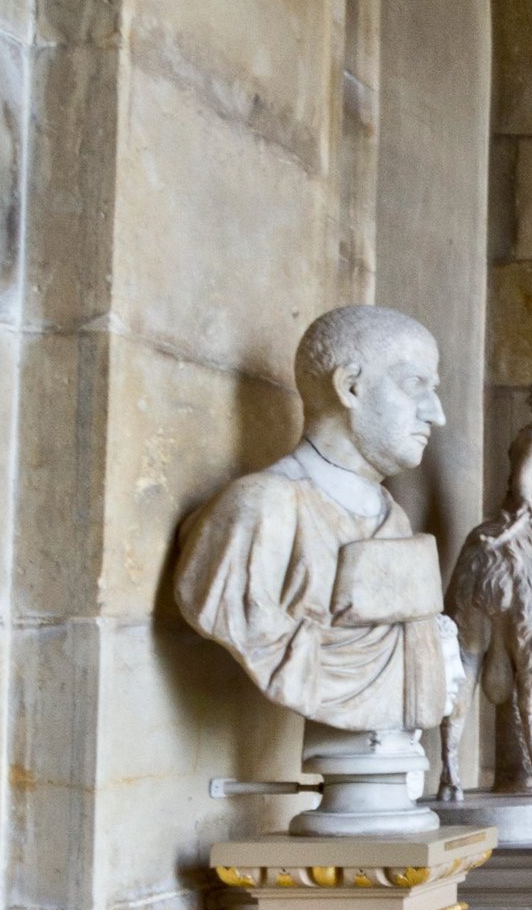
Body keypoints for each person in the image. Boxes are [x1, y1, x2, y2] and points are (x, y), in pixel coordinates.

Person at [175, 304, 459, 733]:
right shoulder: (259, 508)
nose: (435, 413)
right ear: (350, 388)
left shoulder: (393, 520)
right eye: (414, 384)